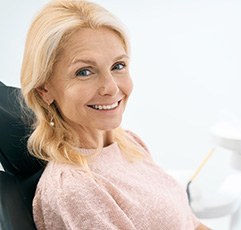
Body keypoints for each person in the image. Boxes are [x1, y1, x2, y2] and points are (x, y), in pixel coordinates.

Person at [20, 0, 210, 229]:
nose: (110, 87)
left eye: (118, 66)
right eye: (84, 72)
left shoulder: (128, 143)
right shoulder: (75, 189)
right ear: (44, 89)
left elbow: (190, 223)